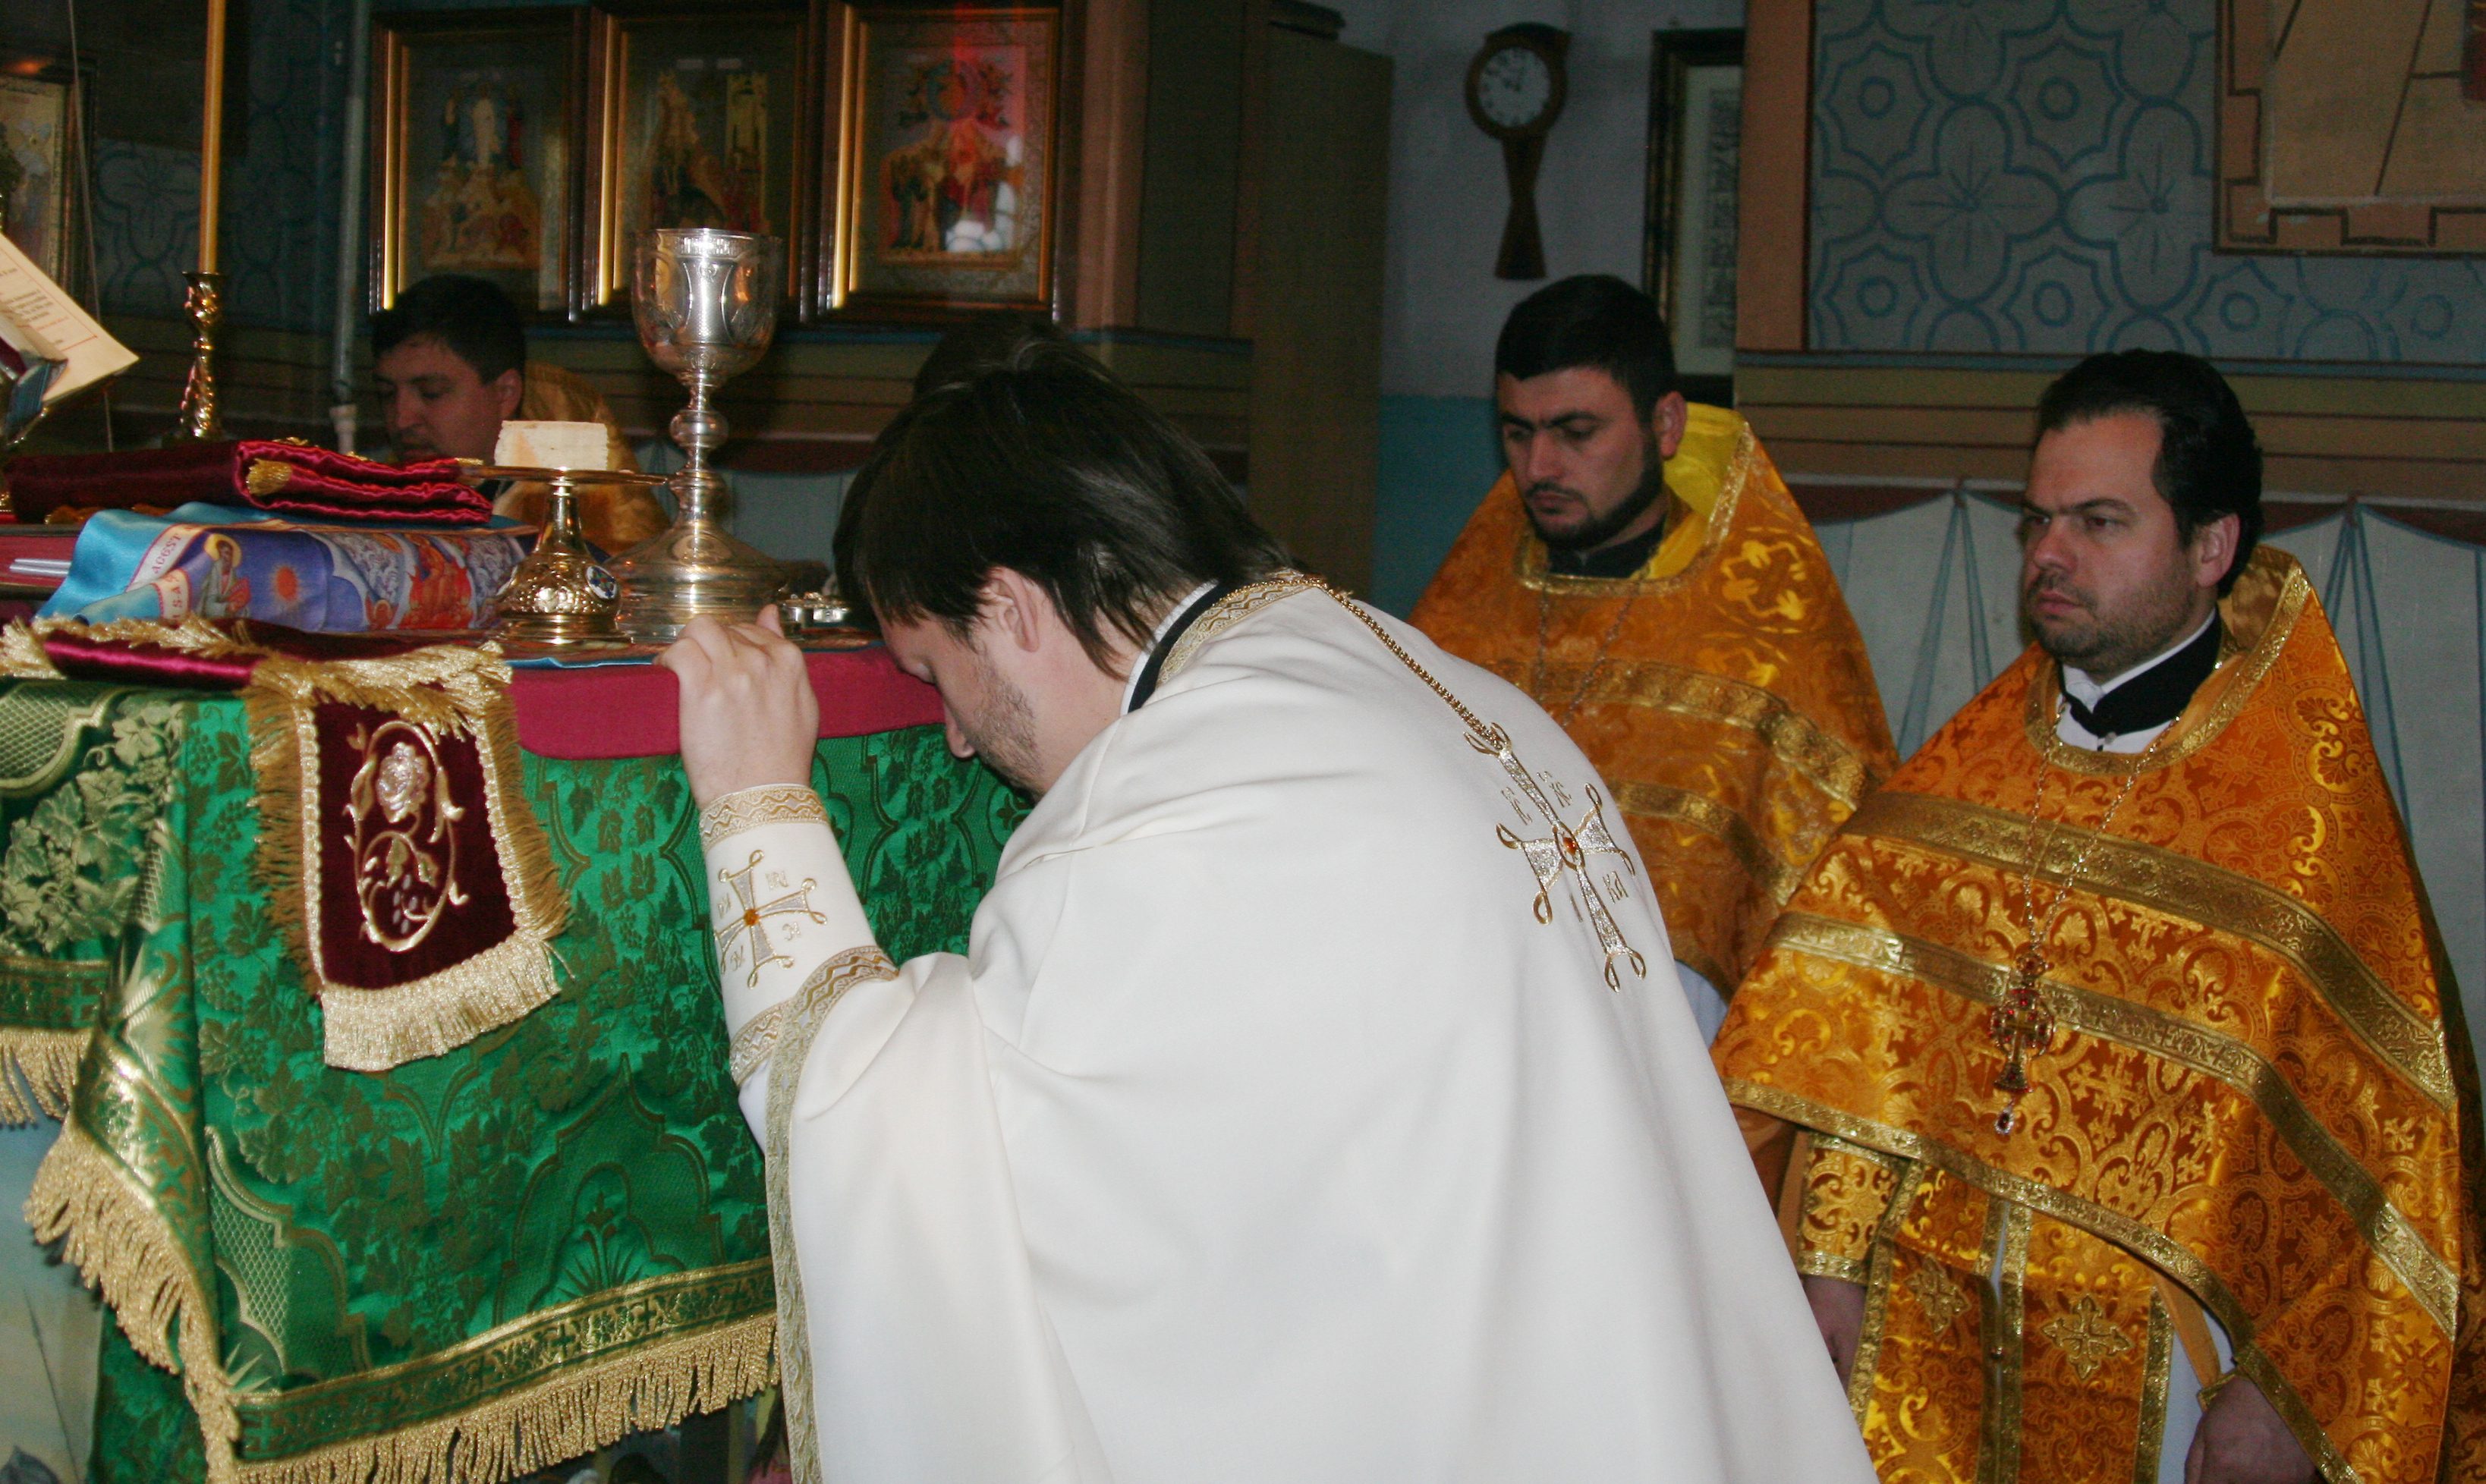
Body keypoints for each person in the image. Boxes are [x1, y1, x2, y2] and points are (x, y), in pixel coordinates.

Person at [656, 344, 1874, 1482]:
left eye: (937, 674)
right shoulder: (1417, 670)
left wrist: (757, 800)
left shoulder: (1163, 806)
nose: (960, 738)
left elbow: (906, 1145)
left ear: (1012, 608)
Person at [1712, 351, 2486, 1484]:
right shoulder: (1963, 780)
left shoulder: (2303, 819)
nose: (2049, 554)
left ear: (2211, 548)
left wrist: (2286, 1391)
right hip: (1929, 1344)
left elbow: (2379, 1148)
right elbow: (1857, 1055)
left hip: (2164, 1368)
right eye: (2038, 521)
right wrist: (1827, 1267)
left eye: (2100, 522)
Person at [1410, 275, 1895, 1040]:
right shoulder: (1461, 616)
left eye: (1576, 432)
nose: (1539, 468)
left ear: (1665, 425)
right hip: (1477, 1013)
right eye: (1517, 433)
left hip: (1673, 1035)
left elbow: (1838, 902)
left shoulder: (1764, 631)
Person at [371, 274, 667, 551]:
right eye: (386, 394)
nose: (401, 419)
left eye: (431, 392)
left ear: (505, 393)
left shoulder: (571, 500)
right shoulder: (378, 500)